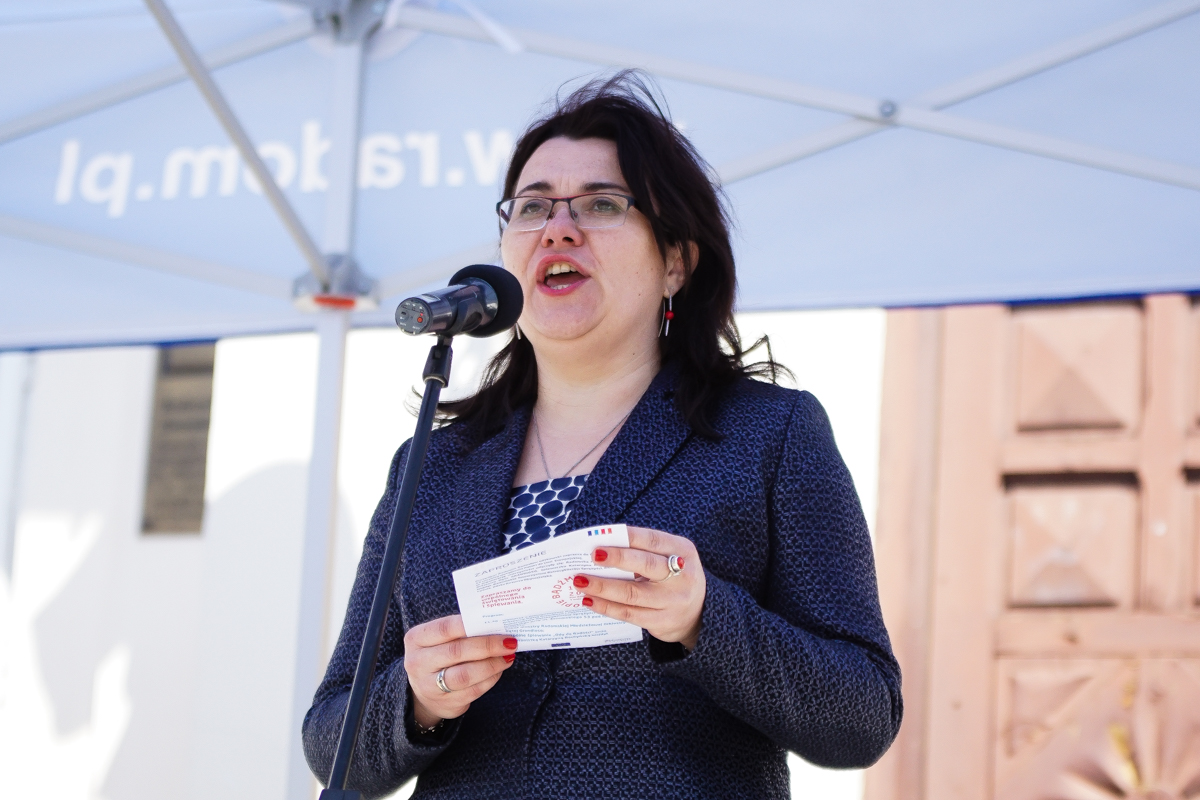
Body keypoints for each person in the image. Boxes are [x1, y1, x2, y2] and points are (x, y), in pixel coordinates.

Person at [303, 72, 902, 800]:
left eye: (602, 204)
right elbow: (331, 741)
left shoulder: (769, 436)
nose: (558, 228)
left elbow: (863, 716)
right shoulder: (433, 465)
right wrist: (419, 697)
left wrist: (703, 619)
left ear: (675, 261)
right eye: (533, 206)